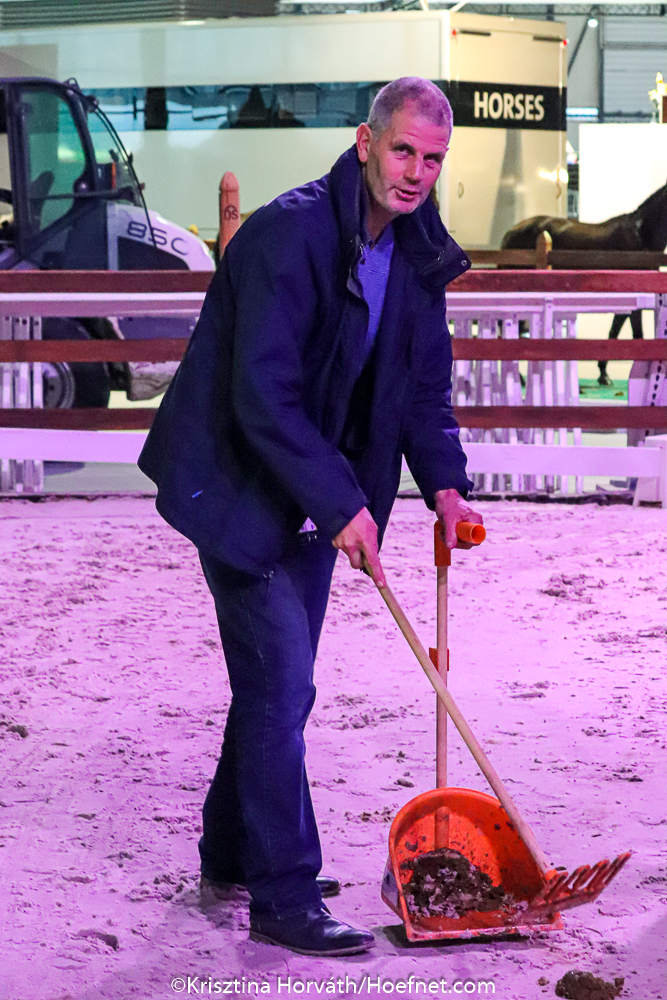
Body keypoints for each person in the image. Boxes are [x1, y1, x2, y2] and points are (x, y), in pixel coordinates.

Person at [138, 76, 482, 957]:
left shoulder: (416, 247)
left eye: (432, 159)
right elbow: (263, 396)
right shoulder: (287, 236)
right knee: (282, 686)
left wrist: (444, 485)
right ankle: (283, 895)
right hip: (237, 484)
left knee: (272, 688)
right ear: (365, 143)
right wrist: (342, 504)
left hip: (316, 496)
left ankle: (232, 853)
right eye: (402, 151)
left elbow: (420, 386)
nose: (415, 173)